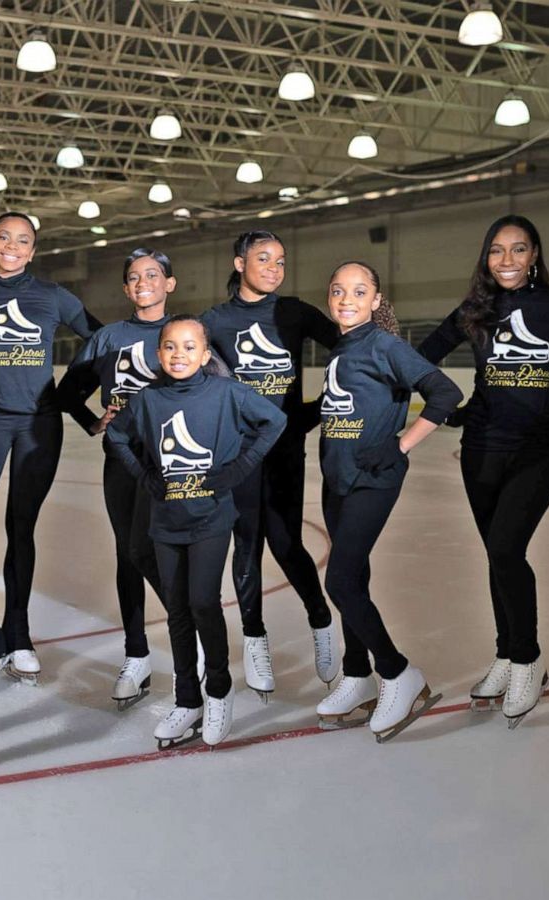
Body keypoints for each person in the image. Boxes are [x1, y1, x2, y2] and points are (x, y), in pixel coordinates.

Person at [417, 214, 549, 728]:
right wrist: (451, 409)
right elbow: (420, 359)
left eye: (518, 249)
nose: (507, 260)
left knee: (506, 549)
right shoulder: (475, 310)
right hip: (481, 450)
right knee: (497, 556)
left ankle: (529, 660)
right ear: (486, 258)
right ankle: (506, 655)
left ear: (535, 254)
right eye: (497, 250)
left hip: (537, 451)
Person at [105, 316, 285, 749]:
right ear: (159, 354)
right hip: (166, 521)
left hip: (210, 519)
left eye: (189, 347)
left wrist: (239, 468)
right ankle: (187, 698)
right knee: (178, 613)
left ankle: (218, 689)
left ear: (206, 355)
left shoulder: (226, 393)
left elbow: (274, 422)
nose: (179, 354)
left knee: (203, 601)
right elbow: (115, 434)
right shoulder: (148, 400)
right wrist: (143, 474)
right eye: (170, 346)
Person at [0, 211, 99, 693]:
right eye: (4, 238)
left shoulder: (53, 296)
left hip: (39, 424)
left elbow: (104, 341)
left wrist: (76, 396)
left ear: (33, 250)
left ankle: (19, 635)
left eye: (23, 240)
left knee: (20, 528)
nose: (12, 246)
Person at [309, 262, 462, 743]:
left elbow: (445, 393)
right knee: (355, 577)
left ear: (376, 301)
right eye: (338, 291)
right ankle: (357, 675)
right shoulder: (344, 347)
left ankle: (398, 674)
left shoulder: (384, 345)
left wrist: (399, 444)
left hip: (374, 479)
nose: (346, 299)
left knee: (339, 581)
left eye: (358, 291)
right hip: (337, 480)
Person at [200, 231, 340, 702]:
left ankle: (321, 620)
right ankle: (255, 640)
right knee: (247, 545)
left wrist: (315, 410)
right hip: (237, 454)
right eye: (263, 259)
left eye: (280, 261)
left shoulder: (294, 312)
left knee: (285, 542)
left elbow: (351, 344)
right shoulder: (214, 321)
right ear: (239, 263)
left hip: (283, 448)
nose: (274, 268)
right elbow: (191, 374)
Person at [53, 248, 174, 710]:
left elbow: (217, 388)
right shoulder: (108, 338)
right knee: (130, 556)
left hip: (173, 464)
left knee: (169, 556)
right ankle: (137, 654)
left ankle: (196, 645)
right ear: (126, 289)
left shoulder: (182, 332)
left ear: (169, 283)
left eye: (152, 274)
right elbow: (68, 392)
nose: (142, 281)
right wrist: (93, 422)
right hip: (122, 462)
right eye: (134, 277)